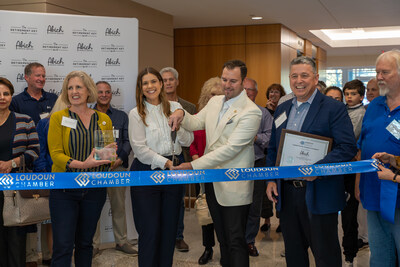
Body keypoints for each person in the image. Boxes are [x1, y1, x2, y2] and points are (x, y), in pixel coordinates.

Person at [169, 59, 262, 267]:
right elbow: (195, 122)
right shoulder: (214, 102)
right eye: (224, 79)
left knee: (236, 240)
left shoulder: (251, 111)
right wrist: (181, 113)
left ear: (243, 81)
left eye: (233, 81)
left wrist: (193, 165)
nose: (227, 85)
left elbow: (230, 150)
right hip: (212, 181)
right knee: (223, 239)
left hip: (234, 186)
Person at [266, 56, 357, 267]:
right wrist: (271, 179)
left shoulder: (333, 108)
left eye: (305, 75)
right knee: (294, 255)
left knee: (325, 256)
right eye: (294, 76)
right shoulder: (282, 109)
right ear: (289, 78)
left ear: (316, 78)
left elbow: (347, 147)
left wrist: (319, 169)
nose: (299, 80)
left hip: (320, 191)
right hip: (287, 194)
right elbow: (272, 148)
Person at [128, 67, 193, 267]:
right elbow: (139, 149)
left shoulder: (175, 107)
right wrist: (165, 163)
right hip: (146, 172)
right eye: (145, 83)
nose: (150, 86)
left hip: (173, 173)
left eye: (154, 81)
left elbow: (188, 140)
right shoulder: (136, 113)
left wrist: (179, 126)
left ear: (161, 84)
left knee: (169, 229)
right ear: (140, 88)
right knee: (149, 230)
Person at [48, 71, 113, 267]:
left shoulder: (104, 120)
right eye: (70, 88)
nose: (74, 92)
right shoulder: (58, 118)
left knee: (85, 244)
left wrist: (108, 155)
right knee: (63, 246)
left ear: (88, 91)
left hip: (95, 190)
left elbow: (108, 156)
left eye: (78, 87)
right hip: (64, 190)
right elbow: (56, 155)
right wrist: (83, 165)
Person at [9, 62, 57, 267]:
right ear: (26, 77)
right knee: (27, 211)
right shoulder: (16, 101)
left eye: (44, 76)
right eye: (37, 76)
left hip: (49, 162)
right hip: (26, 164)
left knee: (50, 212)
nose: (41, 79)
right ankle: (29, 257)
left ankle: (49, 256)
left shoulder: (54, 99)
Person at [358, 50, 400, 267]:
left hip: (398, 196)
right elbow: (362, 146)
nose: (379, 77)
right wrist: (359, 184)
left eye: (385, 72)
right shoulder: (374, 105)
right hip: (373, 194)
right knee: (380, 256)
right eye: (377, 72)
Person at [92, 81, 136, 256]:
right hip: (93, 169)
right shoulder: (87, 115)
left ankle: (121, 241)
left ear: (111, 94)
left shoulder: (121, 116)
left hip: (116, 168)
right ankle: (93, 244)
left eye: (107, 92)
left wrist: (120, 159)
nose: (104, 95)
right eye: (100, 92)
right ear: (94, 94)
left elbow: (127, 141)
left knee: (118, 206)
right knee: (93, 207)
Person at [0, 77, 39, 267]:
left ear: (11, 96)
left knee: (16, 241)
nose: (2, 97)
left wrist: (12, 163)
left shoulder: (25, 121)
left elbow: (35, 151)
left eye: (6, 93)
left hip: (16, 190)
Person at [160, 67, 196, 252]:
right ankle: (160, 235)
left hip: (181, 158)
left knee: (178, 199)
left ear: (177, 82)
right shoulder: (154, 105)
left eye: (171, 79)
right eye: (164, 80)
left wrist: (191, 162)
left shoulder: (189, 107)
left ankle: (178, 236)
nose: (167, 83)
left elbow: (193, 136)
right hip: (158, 159)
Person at [190, 77, 224, 265]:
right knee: (205, 213)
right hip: (201, 169)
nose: (215, 98)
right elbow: (192, 142)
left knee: (221, 213)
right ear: (206, 95)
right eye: (212, 94)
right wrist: (196, 158)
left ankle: (224, 248)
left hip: (220, 171)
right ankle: (208, 248)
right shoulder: (199, 114)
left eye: (219, 95)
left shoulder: (227, 116)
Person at [243, 78, 273, 257]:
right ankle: (235, 240)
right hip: (234, 166)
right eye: (244, 89)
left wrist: (255, 138)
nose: (247, 93)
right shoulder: (231, 112)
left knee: (254, 205)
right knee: (235, 205)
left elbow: (269, 137)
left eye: (250, 90)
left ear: (256, 92)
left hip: (257, 162)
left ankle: (249, 241)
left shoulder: (264, 114)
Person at [341, 79, 366, 266]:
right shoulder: (341, 110)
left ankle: (350, 254)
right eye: (347, 94)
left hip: (352, 165)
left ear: (361, 96)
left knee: (350, 215)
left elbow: (353, 136)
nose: (349, 97)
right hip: (337, 166)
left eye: (353, 94)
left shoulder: (363, 113)